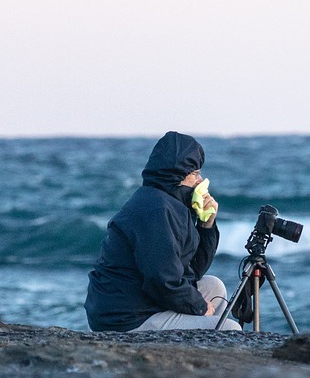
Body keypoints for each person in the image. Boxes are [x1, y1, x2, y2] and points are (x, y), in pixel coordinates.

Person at [85, 131, 241, 331]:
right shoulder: (157, 211)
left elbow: (192, 272)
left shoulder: (170, 204)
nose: (200, 180)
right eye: (194, 173)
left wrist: (207, 225)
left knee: (214, 287)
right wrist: (200, 307)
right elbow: (162, 280)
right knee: (231, 330)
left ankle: (200, 348)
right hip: (126, 318)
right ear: (176, 175)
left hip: (145, 301)